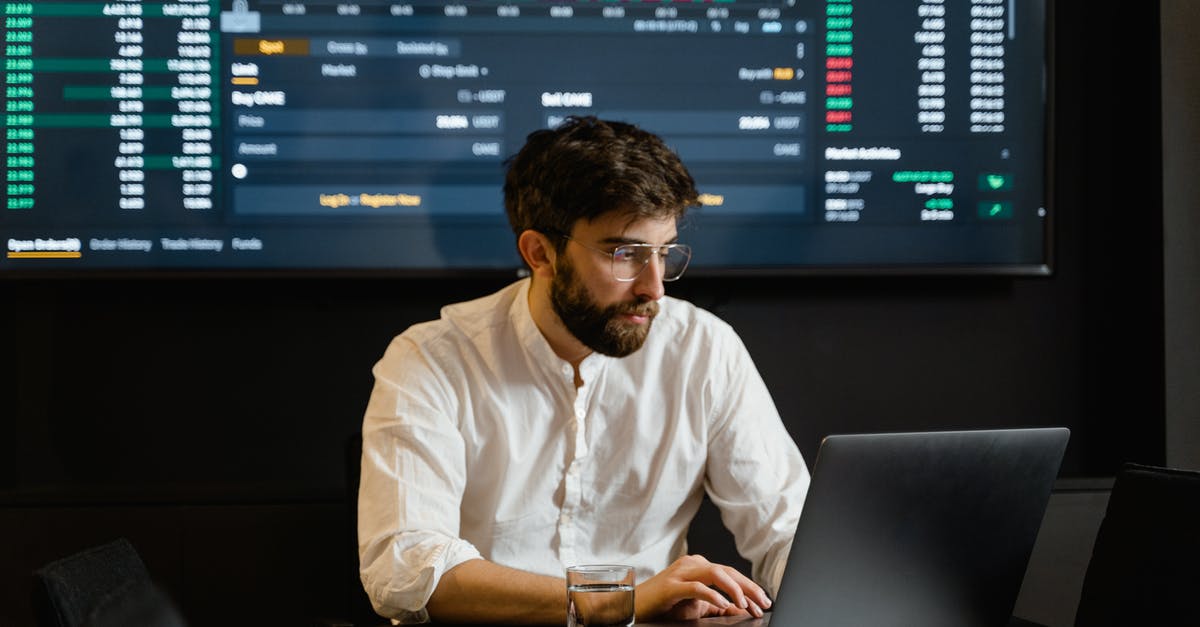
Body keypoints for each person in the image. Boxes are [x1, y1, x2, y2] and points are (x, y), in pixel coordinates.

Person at [358, 116, 810, 624]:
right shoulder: (430, 358)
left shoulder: (704, 348)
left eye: (664, 253)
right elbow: (406, 566)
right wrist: (617, 602)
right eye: (625, 253)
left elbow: (790, 530)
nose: (654, 288)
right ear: (540, 253)